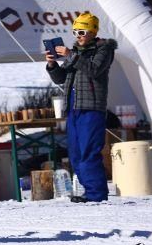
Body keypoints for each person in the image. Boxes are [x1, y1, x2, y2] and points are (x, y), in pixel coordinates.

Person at [45, 12, 116, 203]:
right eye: (75, 32)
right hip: (73, 108)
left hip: (91, 108)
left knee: (89, 152)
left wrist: (71, 55)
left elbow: (94, 70)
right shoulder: (76, 52)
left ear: (93, 31)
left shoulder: (104, 49)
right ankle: (89, 191)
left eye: (82, 32)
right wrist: (52, 64)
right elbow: (61, 78)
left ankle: (96, 194)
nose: (78, 36)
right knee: (75, 154)